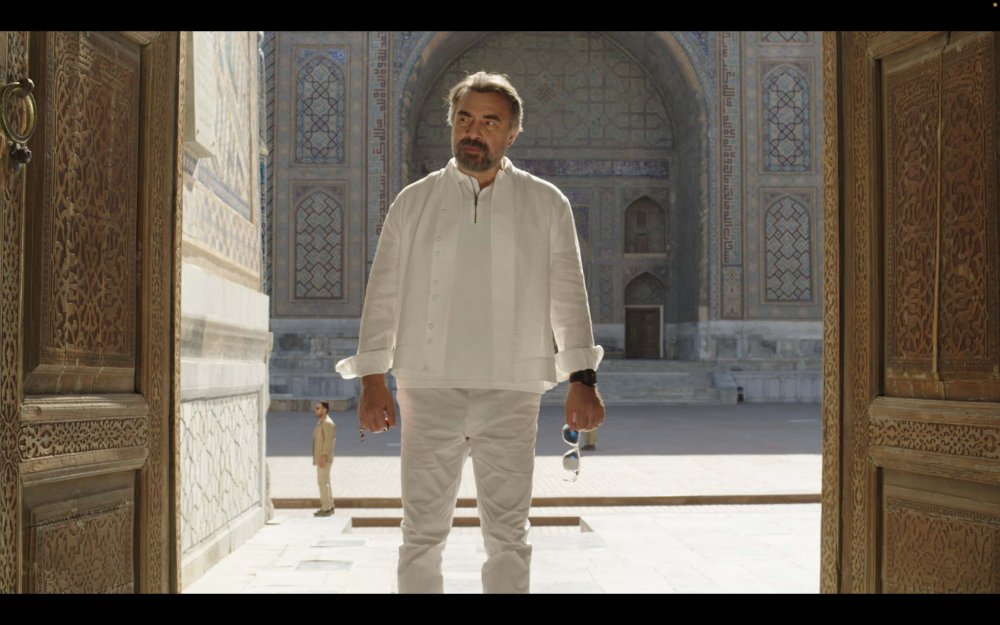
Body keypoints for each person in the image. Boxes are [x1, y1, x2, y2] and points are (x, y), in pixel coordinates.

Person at [336, 71, 605, 593]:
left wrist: (583, 378)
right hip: (427, 386)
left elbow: (568, 294)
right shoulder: (413, 203)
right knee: (421, 533)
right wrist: (372, 377)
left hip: (512, 389)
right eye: (464, 119)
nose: (473, 131)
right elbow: (383, 293)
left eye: (489, 122)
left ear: (512, 133)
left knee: (508, 535)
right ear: (452, 124)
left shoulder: (546, 203)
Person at [312, 401, 336, 516]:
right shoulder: (322, 422)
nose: (316, 410)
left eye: (318, 408)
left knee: (322, 482)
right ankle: (329, 506)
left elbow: (328, 441)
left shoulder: (327, 423)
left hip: (324, 458)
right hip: (321, 457)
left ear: (324, 410)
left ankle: (326, 508)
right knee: (325, 482)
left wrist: (324, 456)